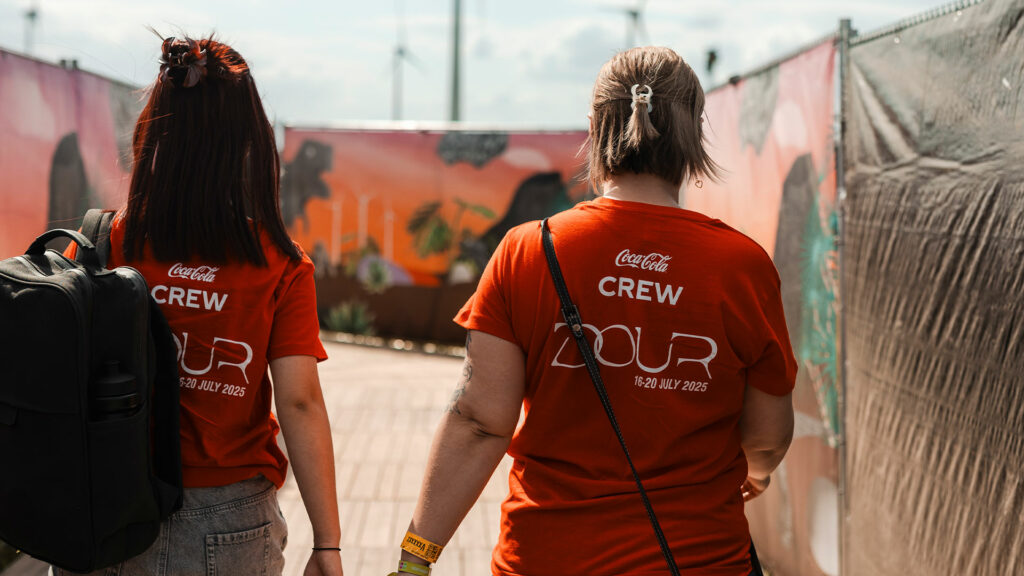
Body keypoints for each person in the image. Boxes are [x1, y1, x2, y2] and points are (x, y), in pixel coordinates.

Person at [390, 46, 796, 576]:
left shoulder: (529, 251)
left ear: (595, 128)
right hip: (697, 559)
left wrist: (416, 559)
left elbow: (479, 422)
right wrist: (757, 471)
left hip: (546, 559)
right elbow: (767, 434)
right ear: (695, 132)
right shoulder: (742, 266)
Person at [59, 35, 343, 576]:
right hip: (228, 520)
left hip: (100, 506)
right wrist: (327, 542)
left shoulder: (100, 243)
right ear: (247, 141)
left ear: (151, 132)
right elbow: (300, 402)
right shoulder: (278, 263)